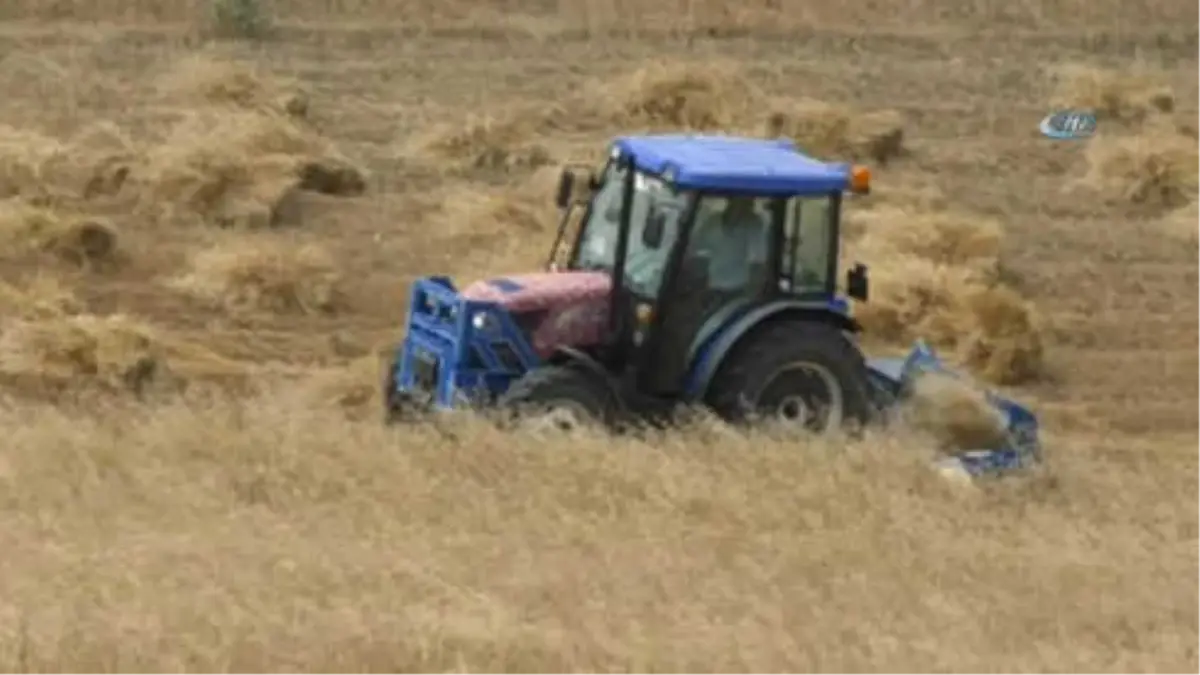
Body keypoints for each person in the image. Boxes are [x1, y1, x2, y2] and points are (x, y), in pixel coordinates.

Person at [690, 197, 770, 292]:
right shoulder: (713, 221)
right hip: (713, 284)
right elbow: (697, 248)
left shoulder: (753, 223)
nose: (750, 202)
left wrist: (754, 290)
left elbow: (758, 260)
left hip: (739, 286)